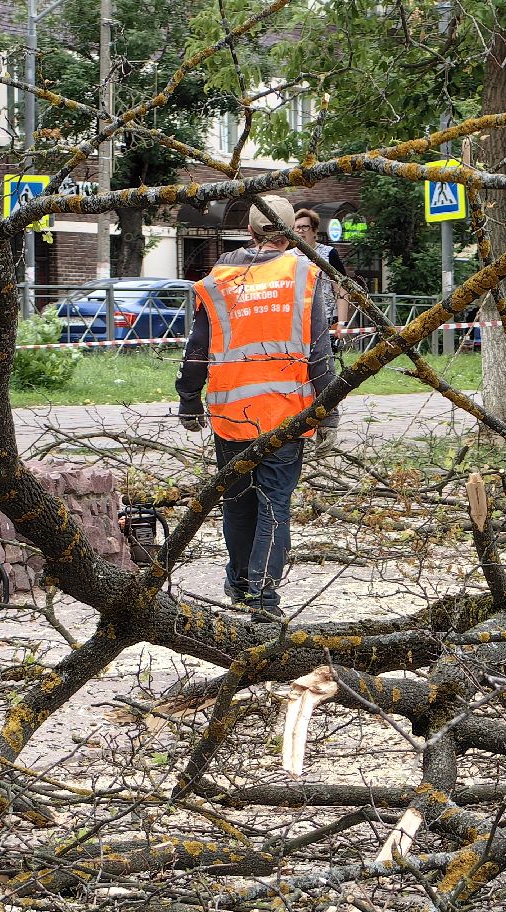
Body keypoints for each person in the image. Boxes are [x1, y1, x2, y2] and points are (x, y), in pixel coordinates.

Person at [176, 194, 338, 619]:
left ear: (249, 230)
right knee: (273, 504)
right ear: (290, 234)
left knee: (238, 500)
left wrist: (189, 399)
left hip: (230, 413)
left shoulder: (221, 276)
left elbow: (198, 347)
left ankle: (241, 585)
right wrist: (329, 410)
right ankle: (263, 599)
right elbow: (319, 348)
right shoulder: (305, 272)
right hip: (284, 412)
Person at [293, 207, 350, 336]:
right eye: (297, 227)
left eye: (305, 227)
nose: (301, 231)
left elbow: (342, 289)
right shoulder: (286, 257)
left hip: (326, 319)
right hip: (295, 320)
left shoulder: (329, 254)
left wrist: (342, 323)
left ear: (314, 231)